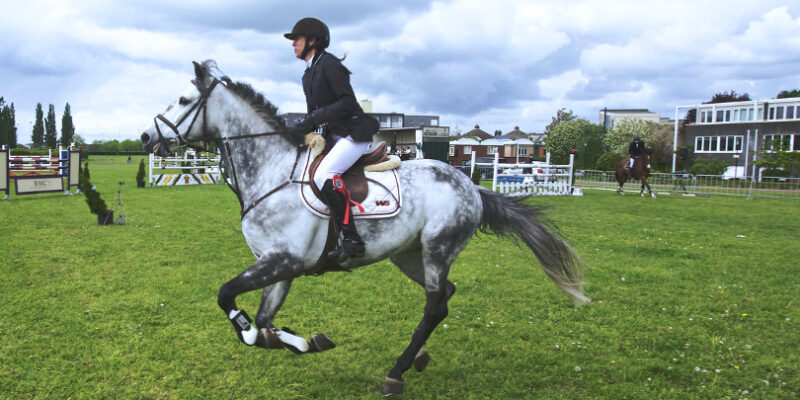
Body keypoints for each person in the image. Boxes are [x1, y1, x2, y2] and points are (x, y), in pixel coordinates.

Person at [285, 17, 378, 261]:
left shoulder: (329, 65)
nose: (293, 43)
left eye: (297, 39)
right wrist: (298, 133)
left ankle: (351, 238)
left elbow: (347, 102)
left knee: (323, 175)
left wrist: (314, 118)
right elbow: (311, 115)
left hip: (353, 134)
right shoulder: (308, 74)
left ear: (312, 41)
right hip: (333, 137)